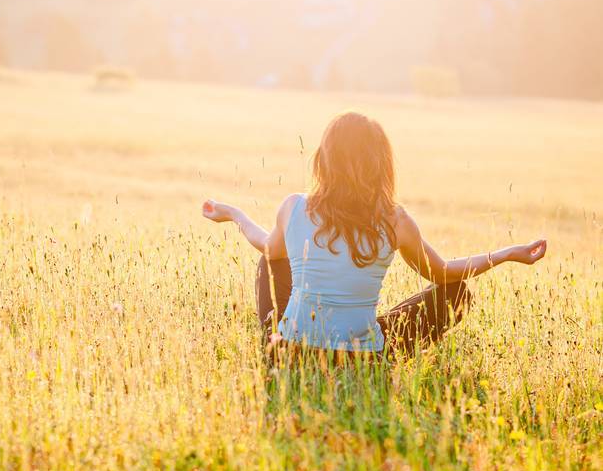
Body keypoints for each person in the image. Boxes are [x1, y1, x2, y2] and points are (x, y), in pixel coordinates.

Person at [202, 111, 547, 358]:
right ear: (381, 164)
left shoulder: (292, 206)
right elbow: (442, 273)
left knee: (271, 260)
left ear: (324, 159)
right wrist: (505, 254)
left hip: (293, 351)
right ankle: (355, 344)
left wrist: (234, 214)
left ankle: (275, 344)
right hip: (362, 360)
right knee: (456, 293)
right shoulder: (395, 221)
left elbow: (266, 245)